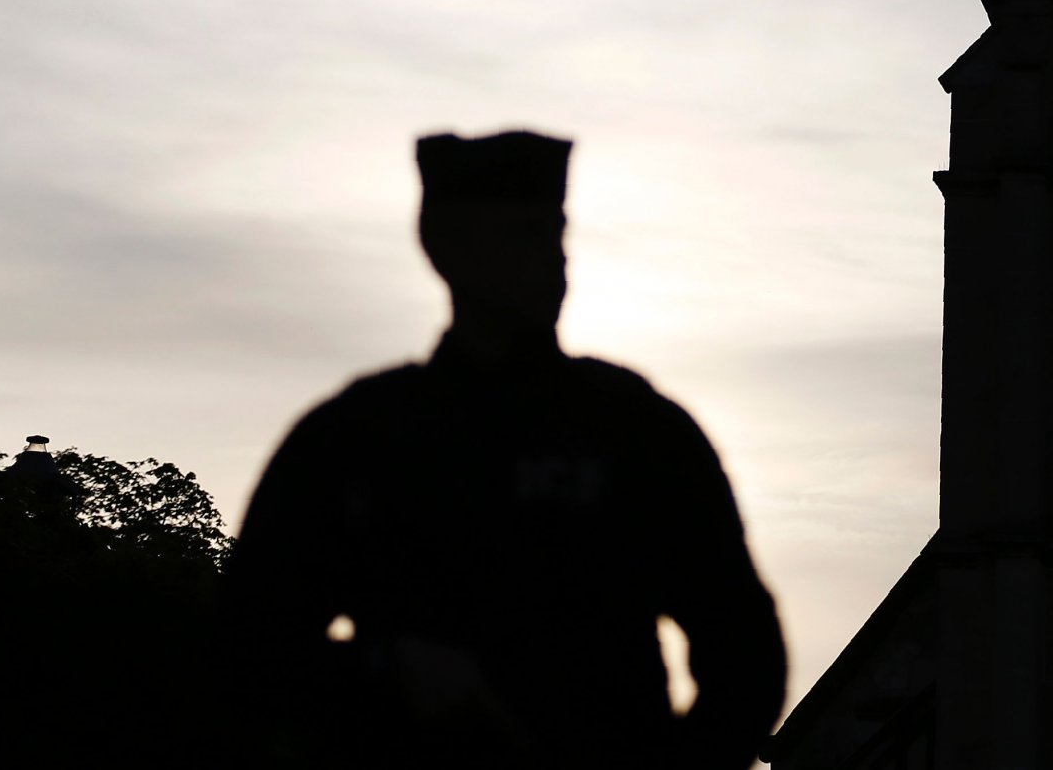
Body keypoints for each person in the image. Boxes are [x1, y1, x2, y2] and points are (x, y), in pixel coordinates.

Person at [219, 130, 786, 769]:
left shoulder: (635, 428)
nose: (553, 260)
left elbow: (744, 652)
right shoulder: (356, 437)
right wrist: (379, 670)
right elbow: (246, 651)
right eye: (520, 235)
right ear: (447, 250)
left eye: (555, 233)